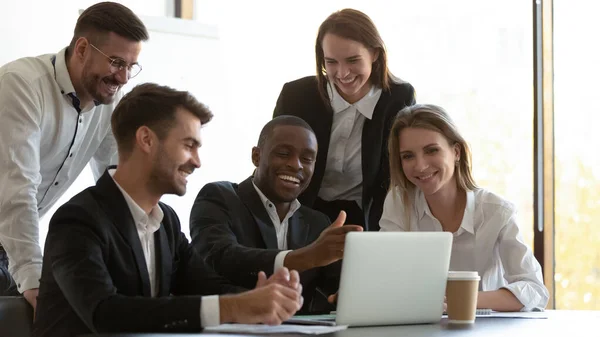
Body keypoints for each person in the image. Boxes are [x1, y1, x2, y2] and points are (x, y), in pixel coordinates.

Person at [33, 83, 304, 337]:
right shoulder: (77, 220)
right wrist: (234, 307)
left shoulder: (167, 222)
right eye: (188, 146)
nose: (197, 162)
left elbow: (207, 286)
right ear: (146, 140)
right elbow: (105, 313)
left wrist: (259, 295)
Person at [0, 2, 148, 311]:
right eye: (116, 62)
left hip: (10, 241)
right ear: (82, 48)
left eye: (131, 66)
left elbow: (116, 183)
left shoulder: (108, 99)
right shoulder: (21, 85)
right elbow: (18, 187)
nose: (122, 77)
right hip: (13, 233)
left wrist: (137, 264)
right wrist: (33, 278)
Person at [379, 104, 549, 312]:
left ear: (456, 152)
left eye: (431, 150)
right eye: (408, 156)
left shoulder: (496, 212)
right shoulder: (399, 202)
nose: (420, 166)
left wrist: (459, 300)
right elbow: (385, 274)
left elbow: (535, 290)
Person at [190, 116, 363, 314]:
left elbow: (330, 290)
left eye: (307, 159)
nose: (296, 165)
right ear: (256, 156)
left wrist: (346, 295)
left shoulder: (317, 222)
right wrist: (306, 257)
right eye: (283, 153)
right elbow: (221, 258)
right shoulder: (218, 197)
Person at [273, 8, 416, 231]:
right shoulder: (296, 95)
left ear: (375, 54)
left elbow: (397, 172)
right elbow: (273, 160)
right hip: (300, 211)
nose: (342, 73)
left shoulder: (398, 97)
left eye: (352, 60)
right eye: (331, 62)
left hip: (366, 217)